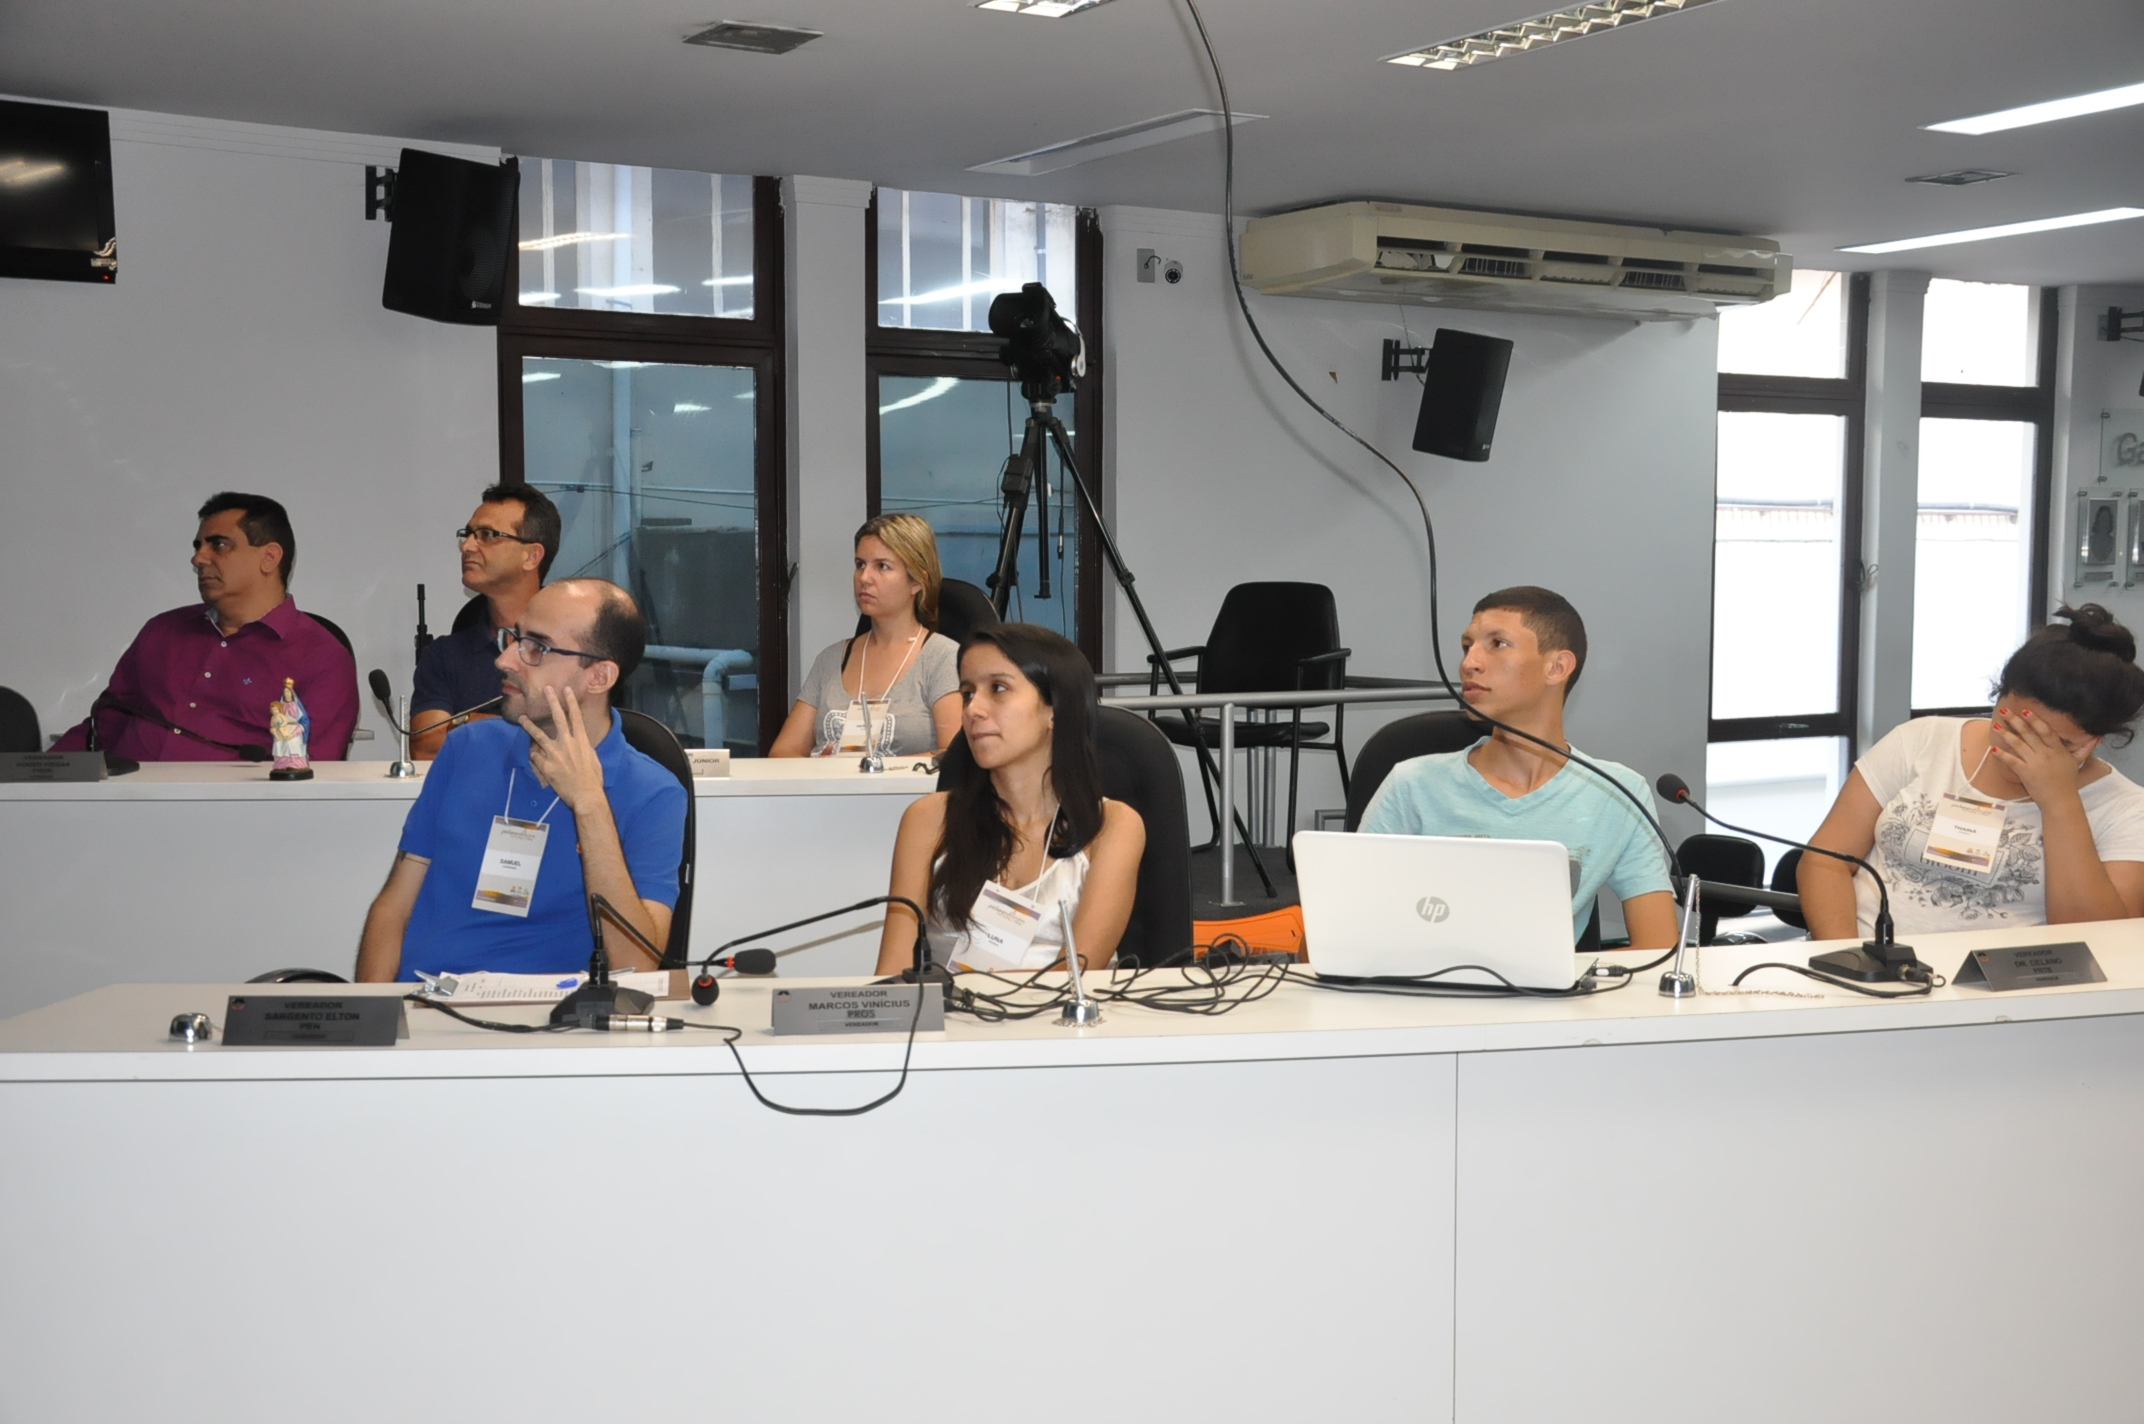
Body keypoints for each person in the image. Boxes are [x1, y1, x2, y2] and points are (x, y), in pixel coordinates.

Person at [354, 579, 688, 982]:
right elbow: (394, 907)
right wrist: (374, 1019)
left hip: (545, 1026)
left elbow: (634, 965)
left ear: (598, 677)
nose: (506, 659)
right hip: (426, 1007)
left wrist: (589, 804)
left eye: (537, 647)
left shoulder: (654, 792)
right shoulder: (465, 748)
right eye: (513, 638)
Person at [1359, 586, 1678, 949]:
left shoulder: (1618, 793)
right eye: (1467, 646)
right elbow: (1334, 932)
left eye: (1497, 644)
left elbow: (1656, 951)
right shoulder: (1412, 785)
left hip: (1555, 1001)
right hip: (1430, 998)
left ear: (1556, 667)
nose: (1469, 663)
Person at [1801, 604, 2144, 940]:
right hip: (1868, 966)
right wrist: (1844, 957)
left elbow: (2099, 941)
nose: (2021, 751)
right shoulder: (1921, 741)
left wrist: (2059, 799)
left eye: (2056, 745)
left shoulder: (2128, 809)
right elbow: (1826, 862)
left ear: (2093, 741)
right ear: (1999, 696)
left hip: (2013, 988)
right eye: (2012, 727)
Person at [875, 625, 1146, 975]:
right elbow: (893, 971)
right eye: (968, 692)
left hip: (1059, 1024)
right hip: (948, 1024)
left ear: (1055, 710)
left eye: (998, 689)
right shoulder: (928, 818)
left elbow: (1075, 978)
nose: (973, 709)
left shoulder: (1112, 826)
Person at [54, 492, 358, 762]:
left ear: (269, 557)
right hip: (119, 805)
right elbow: (103, 726)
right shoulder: (163, 631)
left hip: (232, 817)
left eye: (220, 545)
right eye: (199, 546)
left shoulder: (321, 657)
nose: (198, 558)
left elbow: (314, 772)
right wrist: (32, 775)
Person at [770, 513, 962, 759]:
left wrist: (865, 771)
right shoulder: (831, 659)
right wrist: (817, 769)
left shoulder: (943, 658)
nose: (864, 578)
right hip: (829, 796)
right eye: (860, 564)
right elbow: (782, 752)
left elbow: (953, 757)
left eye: (882, 566)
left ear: (917, 581)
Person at [410, 483, 561, 758]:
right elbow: (425, 747)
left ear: (531, 556)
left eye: (488, 535)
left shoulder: (572, 646)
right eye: (467, 535)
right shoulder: (444, 655)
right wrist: (527, 726)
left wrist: (462, 722)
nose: (467, 546)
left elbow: (576, 737)